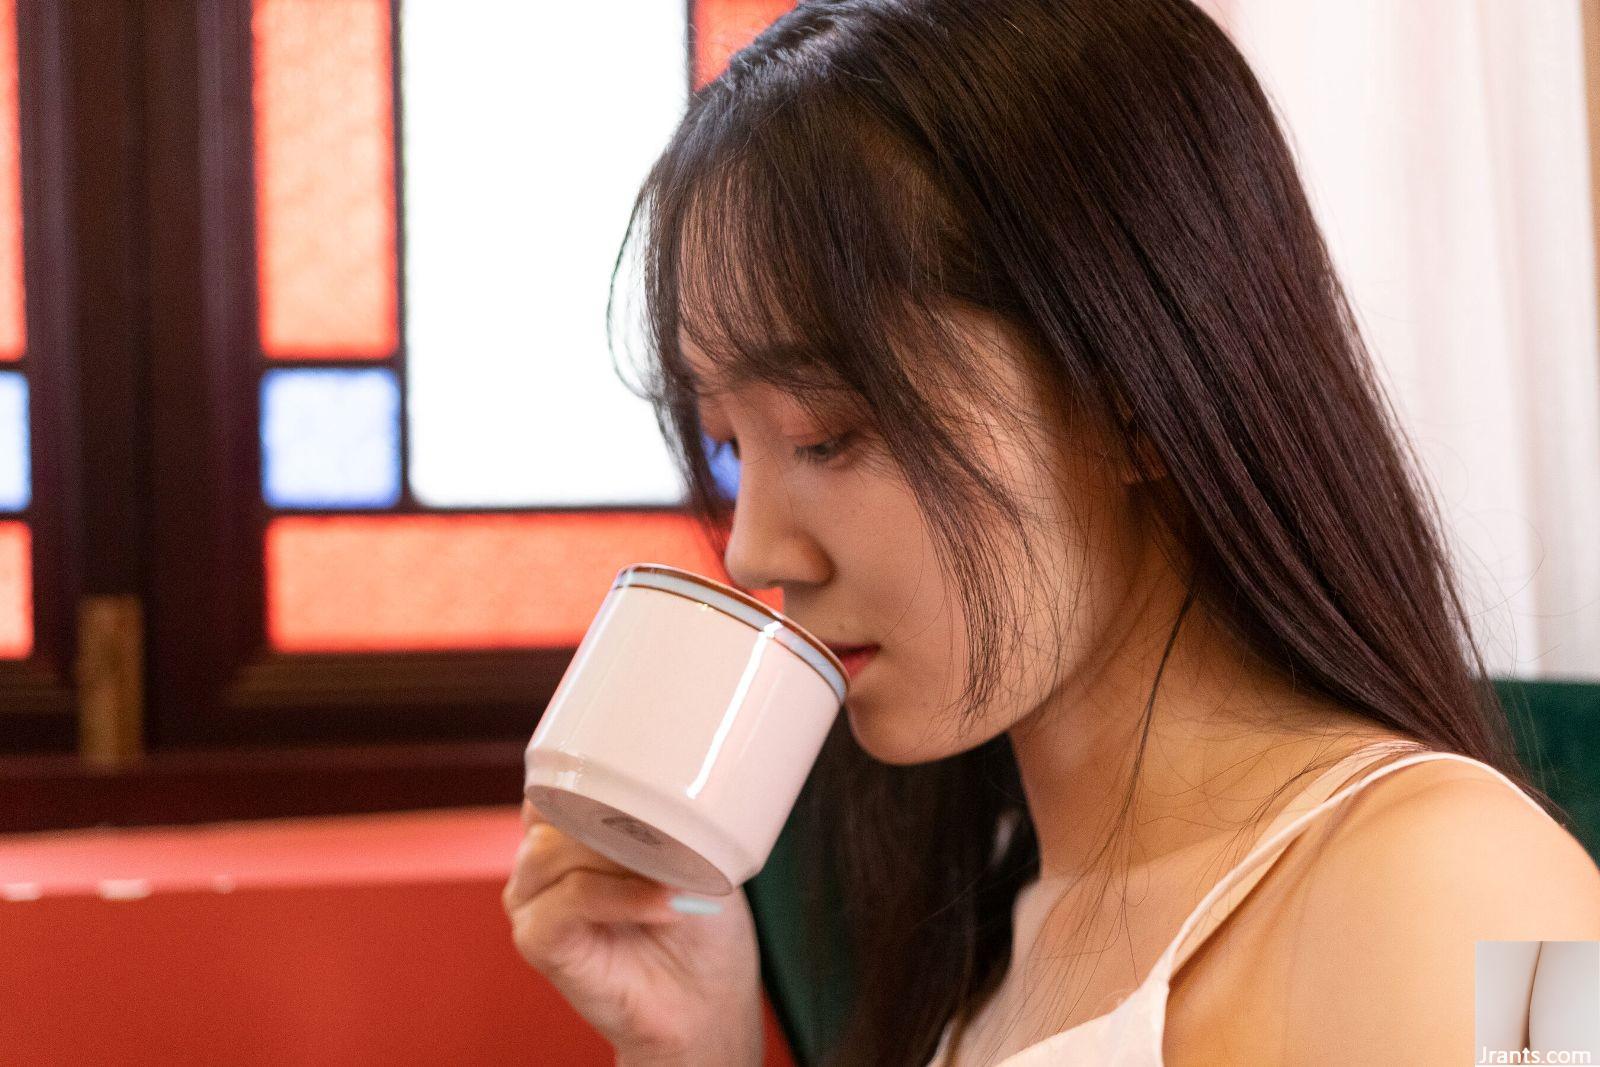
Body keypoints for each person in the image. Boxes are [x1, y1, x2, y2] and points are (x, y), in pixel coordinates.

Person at [502, 1, 1600, 1064]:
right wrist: (694, 1043)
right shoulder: (997, 920)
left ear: (1133, 395)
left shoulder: (1489, 894)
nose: (751, 550)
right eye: (730, 448)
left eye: (827, 432)